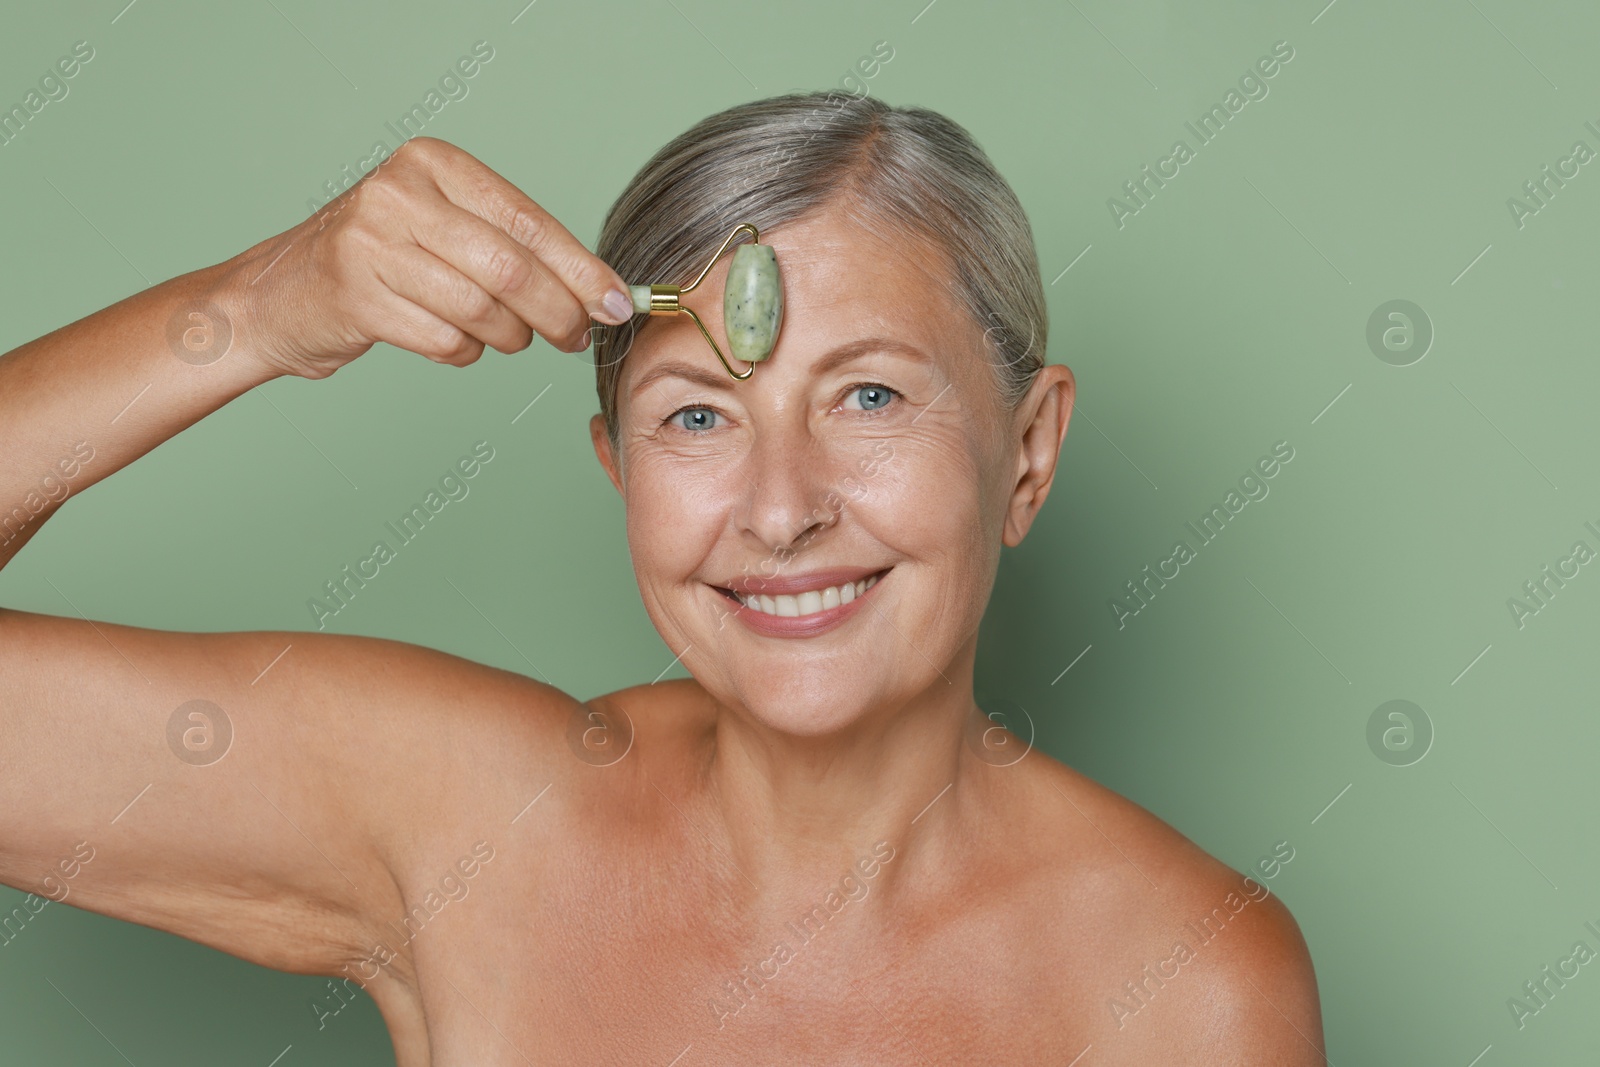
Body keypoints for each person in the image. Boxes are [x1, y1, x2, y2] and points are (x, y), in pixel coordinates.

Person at [0, 91, 1323, 1064]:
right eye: (698, 415)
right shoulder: (466, 819)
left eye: (867, 394)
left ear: (1026, 456)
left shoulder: (1187, 986)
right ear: (619, 472)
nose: (783, 506)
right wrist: (260, 311)